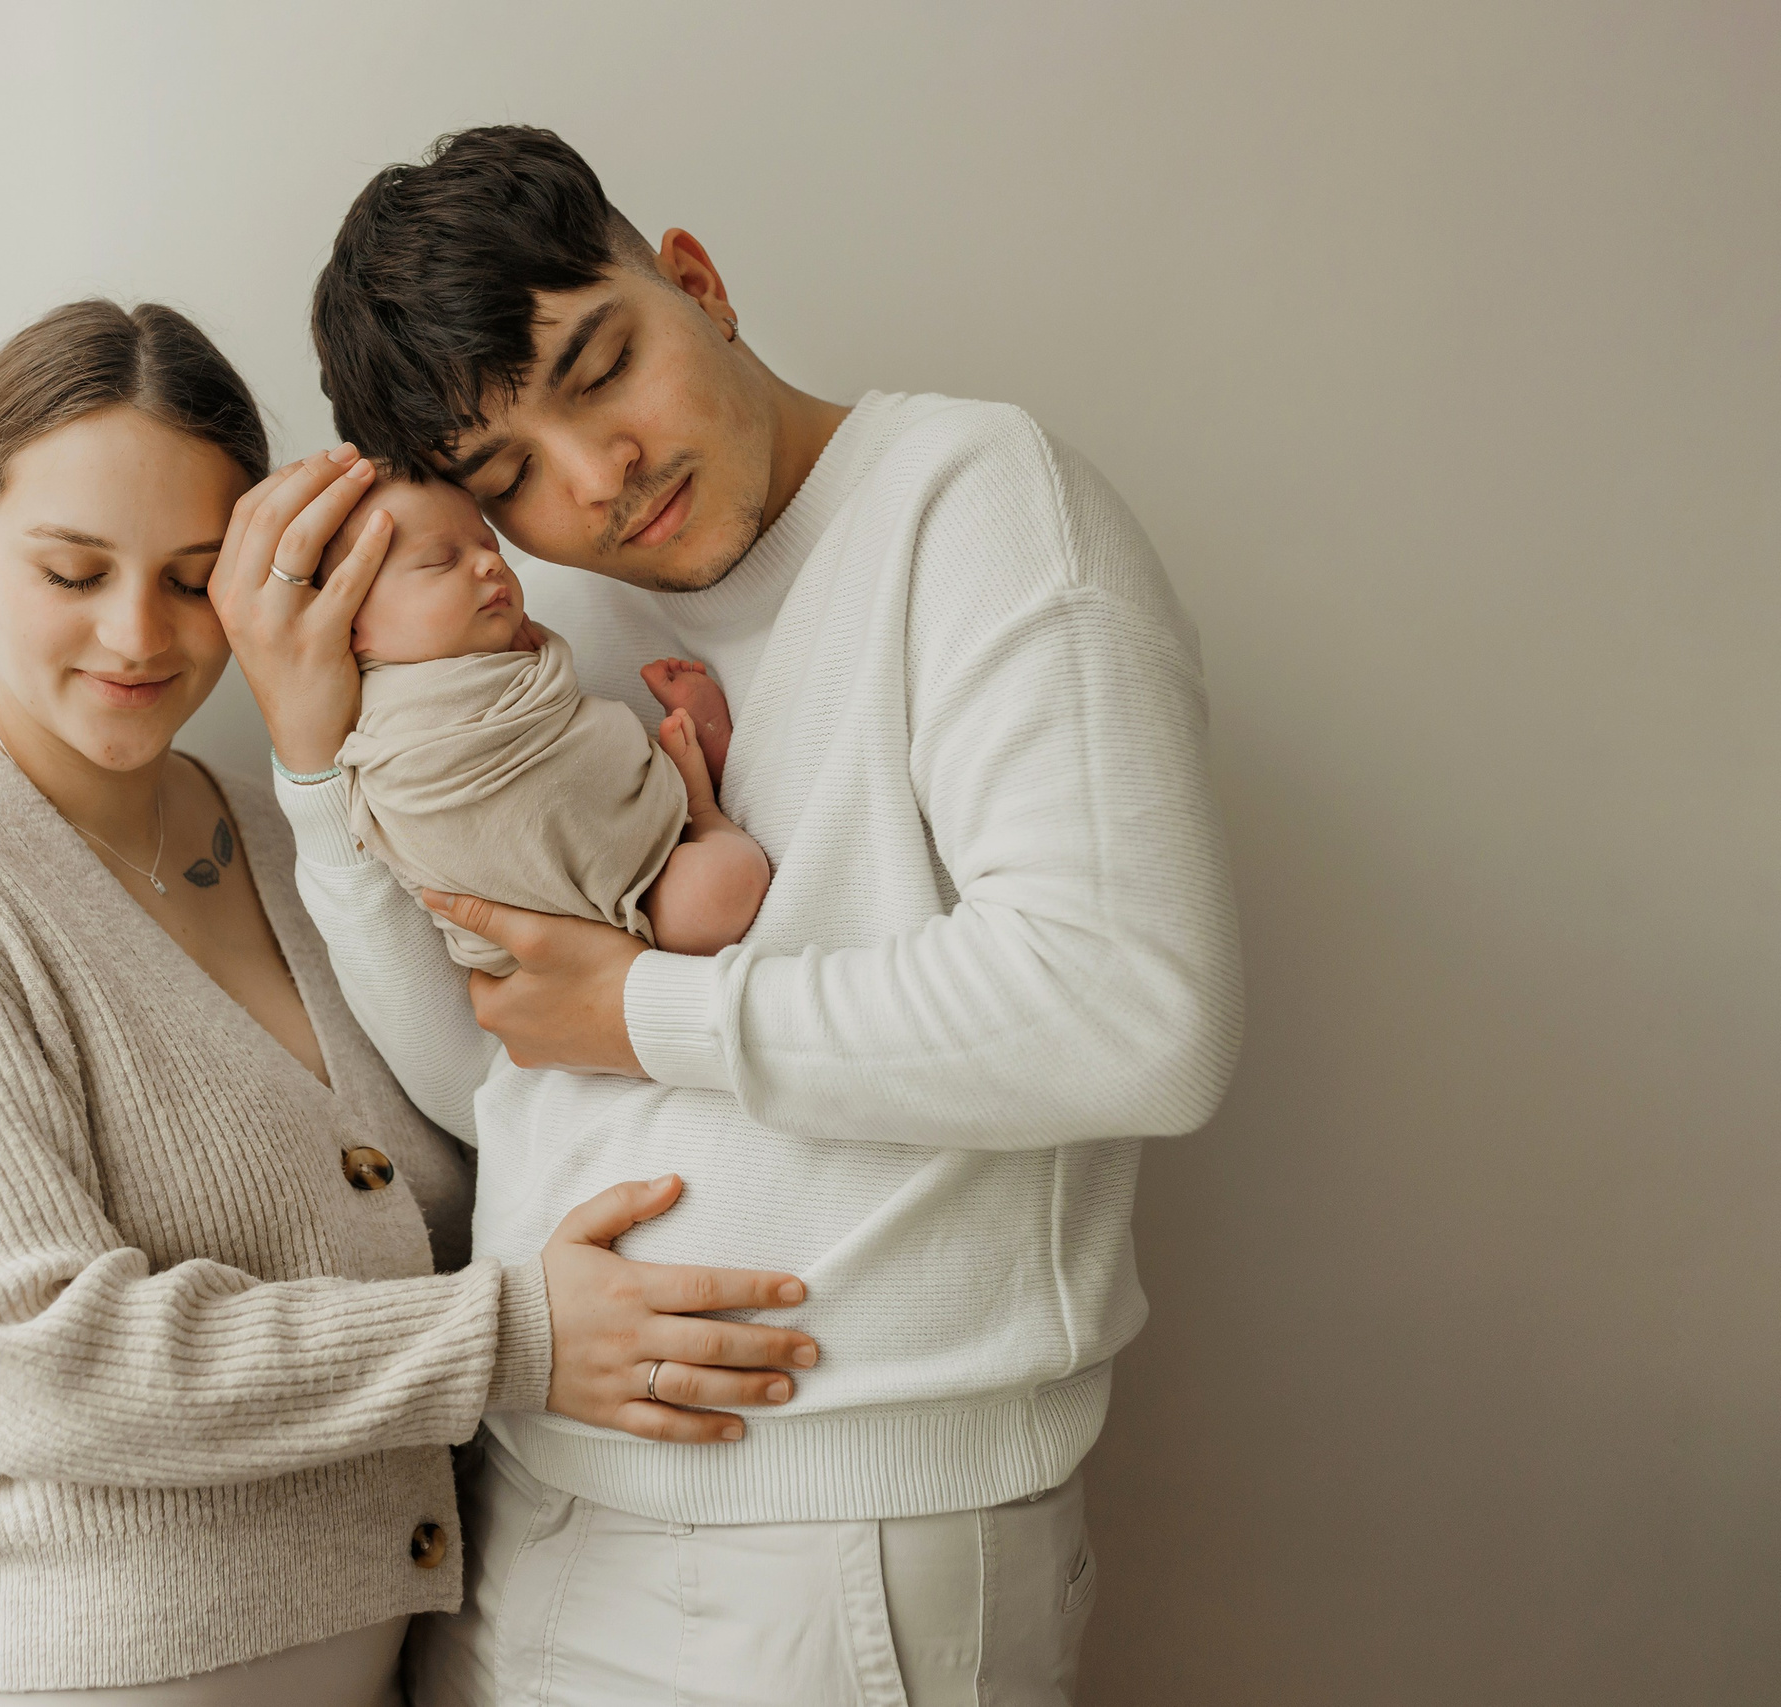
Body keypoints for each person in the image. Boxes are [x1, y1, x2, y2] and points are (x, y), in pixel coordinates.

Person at [216, 128, 1246, 1704]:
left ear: (695, 280)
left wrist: (649, 1008)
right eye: (507, 480)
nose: (595, 479)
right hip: (527, 1502)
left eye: (605, 368)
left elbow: (1132, 1010)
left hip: (840, 1543)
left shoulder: (970, 503)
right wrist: (312, 763)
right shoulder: (523, 617)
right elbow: (487, 1072)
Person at [0, 298, 819, 1706]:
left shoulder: (286, 831)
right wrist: (517, 1335)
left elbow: (472, 1131)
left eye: (194, 576)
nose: (135, 634)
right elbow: (45, 1364)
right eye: (72, 569)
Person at [320, 468, 770, 971]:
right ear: (351, 620)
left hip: (643, 876)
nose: (491, 563)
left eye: (488, 545)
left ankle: (700, 810)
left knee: (718, 891)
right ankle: (693, 797)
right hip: (535, 942)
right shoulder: (366, 716)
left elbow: (561, 717)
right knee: (712, 896)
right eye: (443, 559)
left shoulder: (514, 648)